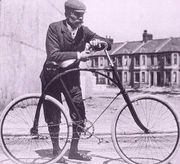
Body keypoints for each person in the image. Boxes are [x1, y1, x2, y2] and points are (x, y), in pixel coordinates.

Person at [40, 0, 111, 162]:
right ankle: (56, 151)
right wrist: (79, 56)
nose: (80, 19)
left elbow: (106, 42)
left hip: (71, 76)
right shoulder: (54, 28)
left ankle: (74, 151)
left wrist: (100, 43)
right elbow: (53, 55)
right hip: (52, 75)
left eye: (82, 15)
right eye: (77, 15)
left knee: (79, 111)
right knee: (53, 114)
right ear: (67, 13)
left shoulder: (83, 31)